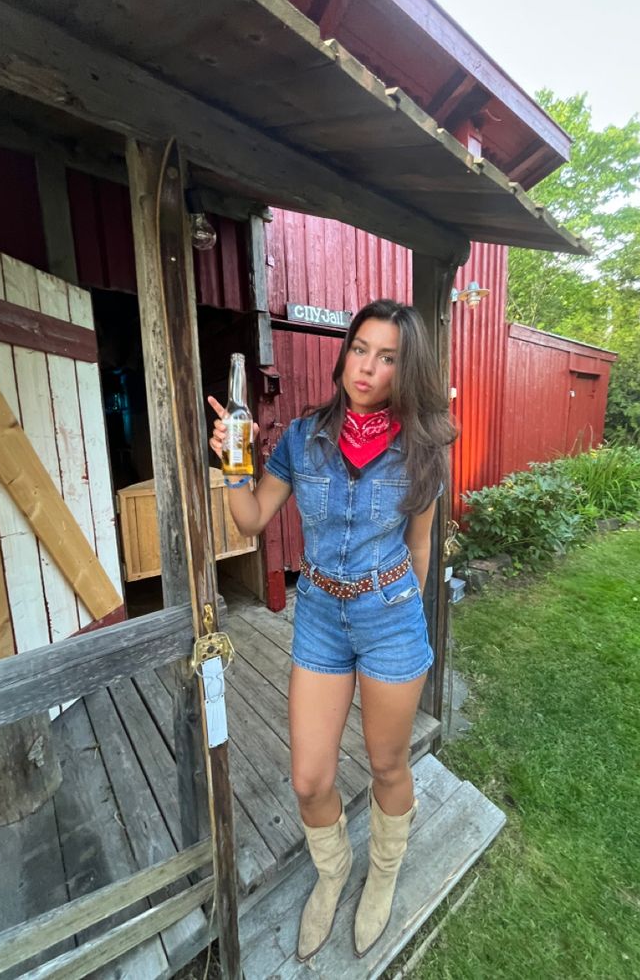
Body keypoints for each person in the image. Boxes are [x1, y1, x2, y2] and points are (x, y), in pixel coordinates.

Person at [208, 299, 457, 960]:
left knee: (385, 763)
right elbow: (252, 518)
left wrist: (407, 611)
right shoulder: (301, 437)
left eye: (387, 356)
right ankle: (333, 868)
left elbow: (422, 545)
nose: (367, 367)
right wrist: (235, 463)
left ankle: (382, 867)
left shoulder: (423, 448)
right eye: (360, 349)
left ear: (407, 370)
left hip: (391, 614)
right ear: (344, 352)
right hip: (319, 610)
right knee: (309, 778)